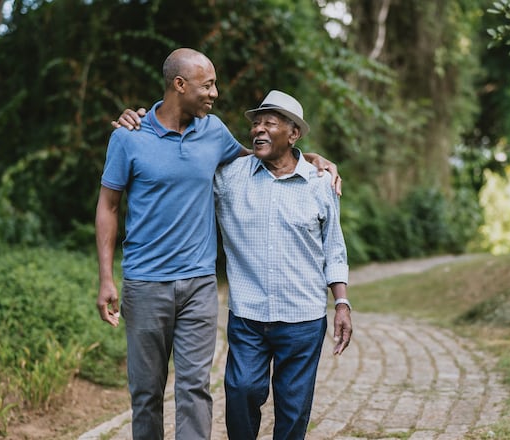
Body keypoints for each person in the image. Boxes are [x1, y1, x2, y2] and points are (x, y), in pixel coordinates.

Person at [97, 48, 339, 440]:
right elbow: (108, 206)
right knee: (146, 393)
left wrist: (308, 156)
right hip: (144, 283)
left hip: (198, 284)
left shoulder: (213, 131)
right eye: (207, 84)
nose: (215, 93)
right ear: (180, 84)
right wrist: (107, 277)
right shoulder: (128, 137)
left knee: (194, 388)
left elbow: (260, 158)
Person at [213, 90, 352, 440]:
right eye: (256, 123)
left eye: (269, 123)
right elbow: (183, 162)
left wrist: (341, 302)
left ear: (293, 134)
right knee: (241, 391)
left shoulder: (320, 184)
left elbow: (334, 248)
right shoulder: (231, 177)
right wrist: (143, 121)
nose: (258, 130)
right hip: (248, 316)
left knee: (293, 410)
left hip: (303, 319)